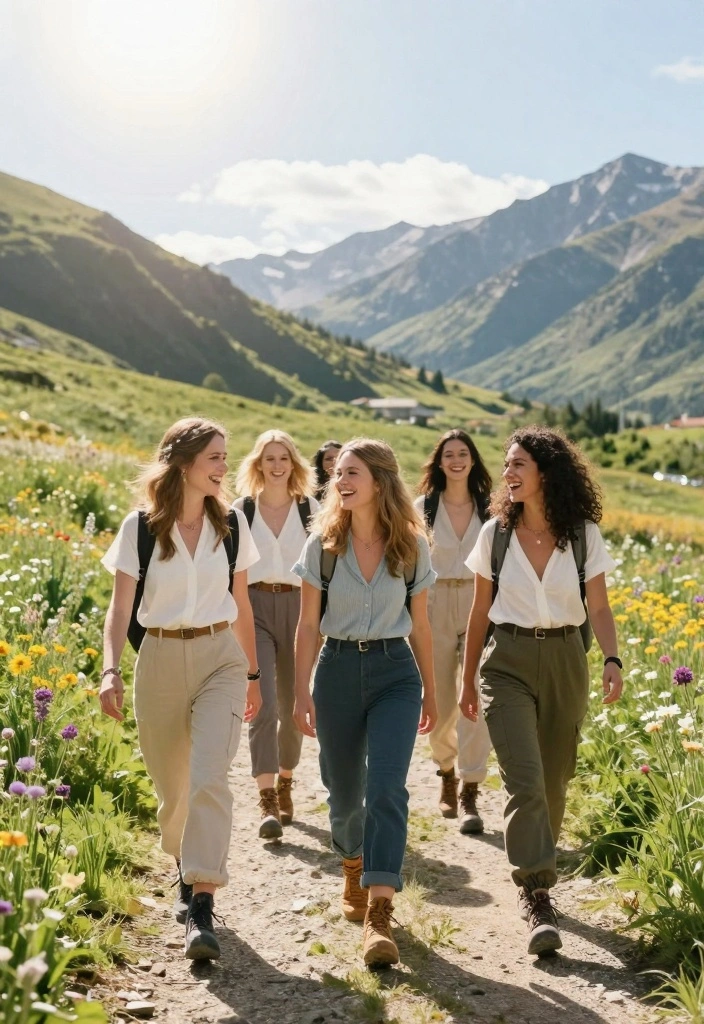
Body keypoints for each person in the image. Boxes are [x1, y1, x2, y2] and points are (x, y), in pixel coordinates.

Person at [99, 417, 262, 961]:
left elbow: (242, 604)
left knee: (209, 777)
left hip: (220, 657)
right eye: (214, 457)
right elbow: (120, 608)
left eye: (224, 457)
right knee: (174, 790)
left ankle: (201, 902)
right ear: (184, 462)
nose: (223, 467)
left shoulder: (232, 524)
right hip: (160, 658)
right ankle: (183, 864)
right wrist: (110, 670)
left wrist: (254, 675)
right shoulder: (140, 528)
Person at [459, 426, 623, 957]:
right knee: (525, 780)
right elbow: (479, 611)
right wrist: (467, 678)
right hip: (505, 662)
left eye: (518, 465)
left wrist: (613, 658)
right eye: (507, 464)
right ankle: (536, 892)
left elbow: (599, 606)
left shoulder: (583, 535)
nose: (507, 473)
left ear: (546, 473)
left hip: (565, 659)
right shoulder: (494, 535)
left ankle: (539, 867)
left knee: (554, 782)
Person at [292, 438, 438, 968]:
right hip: (336, 670)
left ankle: (380, 910)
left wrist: (432, 689)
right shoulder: (323, 545)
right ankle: (352, 862)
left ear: (380, 480)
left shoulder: (412, 546)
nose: (340, 480)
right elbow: (308, 625)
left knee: (386, 787)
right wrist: (300, 690)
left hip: (395, 672)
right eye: (339, 474)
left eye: (352, 472)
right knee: (344, 793)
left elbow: (420, 625)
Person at [233, 430, 318, 840]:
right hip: (254, 608)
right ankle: (266, 798)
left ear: (294, 463)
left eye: (284, 457)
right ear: (258, 463)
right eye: (269, 458)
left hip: (302, 608)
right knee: (262, 702)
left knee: (293, 705)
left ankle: (286, 779)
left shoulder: (311, 509)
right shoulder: (241, 510)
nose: (277, 465)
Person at [414, 428, 493, 832]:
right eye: (449, 454)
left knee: (476, 694)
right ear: (440, 462)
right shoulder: (423, 508)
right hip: (434, 603)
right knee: (442, 699)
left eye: (463, 453)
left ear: (473, 460)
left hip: (481, 603)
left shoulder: (492, 508)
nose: (457, 460)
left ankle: (471, 789)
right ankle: (446, 770)